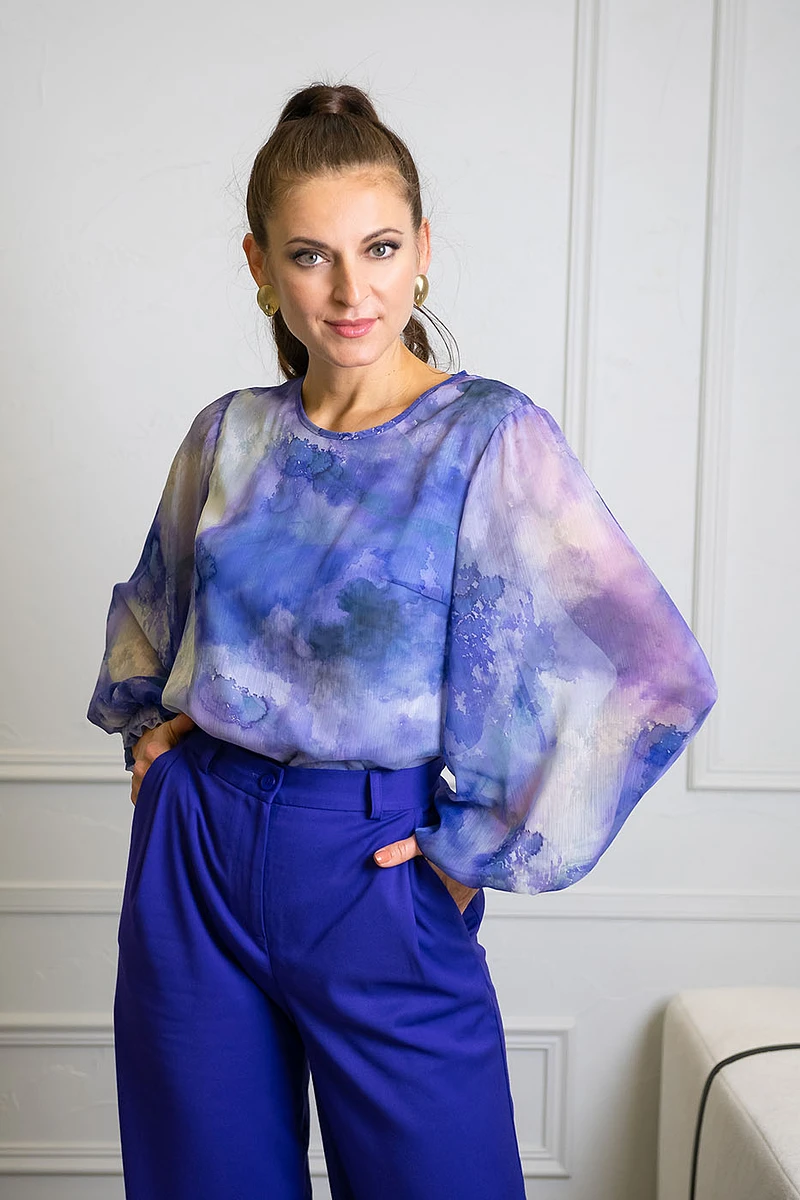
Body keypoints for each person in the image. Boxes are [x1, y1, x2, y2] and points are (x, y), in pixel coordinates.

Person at [86, 80, 718, 1200]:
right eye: (310, 256)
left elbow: (654, 670)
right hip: (195, 859)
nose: (350, 291)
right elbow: (156, 609)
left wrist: (474, 852)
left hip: (374, 867)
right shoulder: (226, 435)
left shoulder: (488, 438)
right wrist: (153, 732)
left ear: (422, 250)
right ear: (259, 267)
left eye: (378, 249)